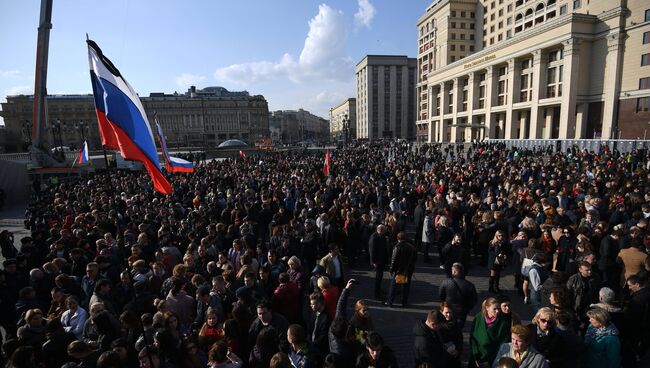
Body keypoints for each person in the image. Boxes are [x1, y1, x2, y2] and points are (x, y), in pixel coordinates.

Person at [470, 297, 511, 368]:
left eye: (498, 309)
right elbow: (473, 338)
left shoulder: (503, 323)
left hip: (491, 359)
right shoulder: (478, 318)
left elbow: (503, 345)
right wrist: (475, 355)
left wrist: (490, 361)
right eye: (494, 309)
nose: (497, 311)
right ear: (487, 308)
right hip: (476, 358)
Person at [438, 262, 478, 329]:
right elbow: (473, 300)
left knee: (446, 327)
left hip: (448, 309)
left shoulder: (446, 282)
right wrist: (467, 308)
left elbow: (441, 295)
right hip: (462, 312)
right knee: (458, 329)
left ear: (454, 271)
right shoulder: (470, 285)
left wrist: (445, 304)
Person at [623, 275, 650, 366]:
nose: (629, 288)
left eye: (630, 285)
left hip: (640, 328)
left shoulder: (638, 299)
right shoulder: (647, 291)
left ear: (637, 285)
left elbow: (633, 318)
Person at [385, 232, 416, 308]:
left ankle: (390, 302)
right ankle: (404, 303)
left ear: (398, 238)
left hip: (399, 270)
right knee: (406, 287)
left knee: (394, 286)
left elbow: (394, 260)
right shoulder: (411, 247)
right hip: (408, 270)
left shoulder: (397, 247)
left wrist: (391, 270)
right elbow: (414, 259)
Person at [368, 225, 390, 298]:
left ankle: (379, 289)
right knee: (378, 277)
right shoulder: (374, 237)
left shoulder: (381, 236)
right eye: (384, 230)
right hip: (377, 261)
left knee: (380, 276)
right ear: (380, 230)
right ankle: (376, 293)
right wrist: (374, 262)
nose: (385, 232)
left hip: (381, 260)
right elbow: (372, 251)